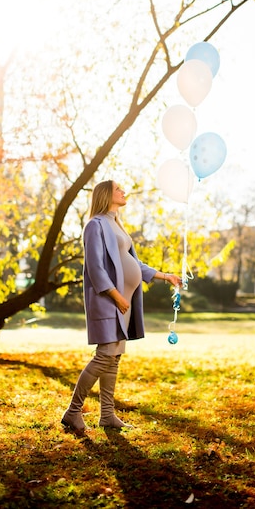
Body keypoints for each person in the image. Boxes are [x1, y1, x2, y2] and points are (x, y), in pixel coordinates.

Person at [61, 180, 181, 434]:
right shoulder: (95, 225)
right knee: (104, 356)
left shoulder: (116, 224)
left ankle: (107, 416)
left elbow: (134, 263)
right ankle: (73, 411)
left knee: (114, 358)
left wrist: (165, 276)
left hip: (122, 300)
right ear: (106, 194)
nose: (123, 192)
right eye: (118, 189)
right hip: (108, 300)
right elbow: (95, 267)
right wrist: (116, 295)